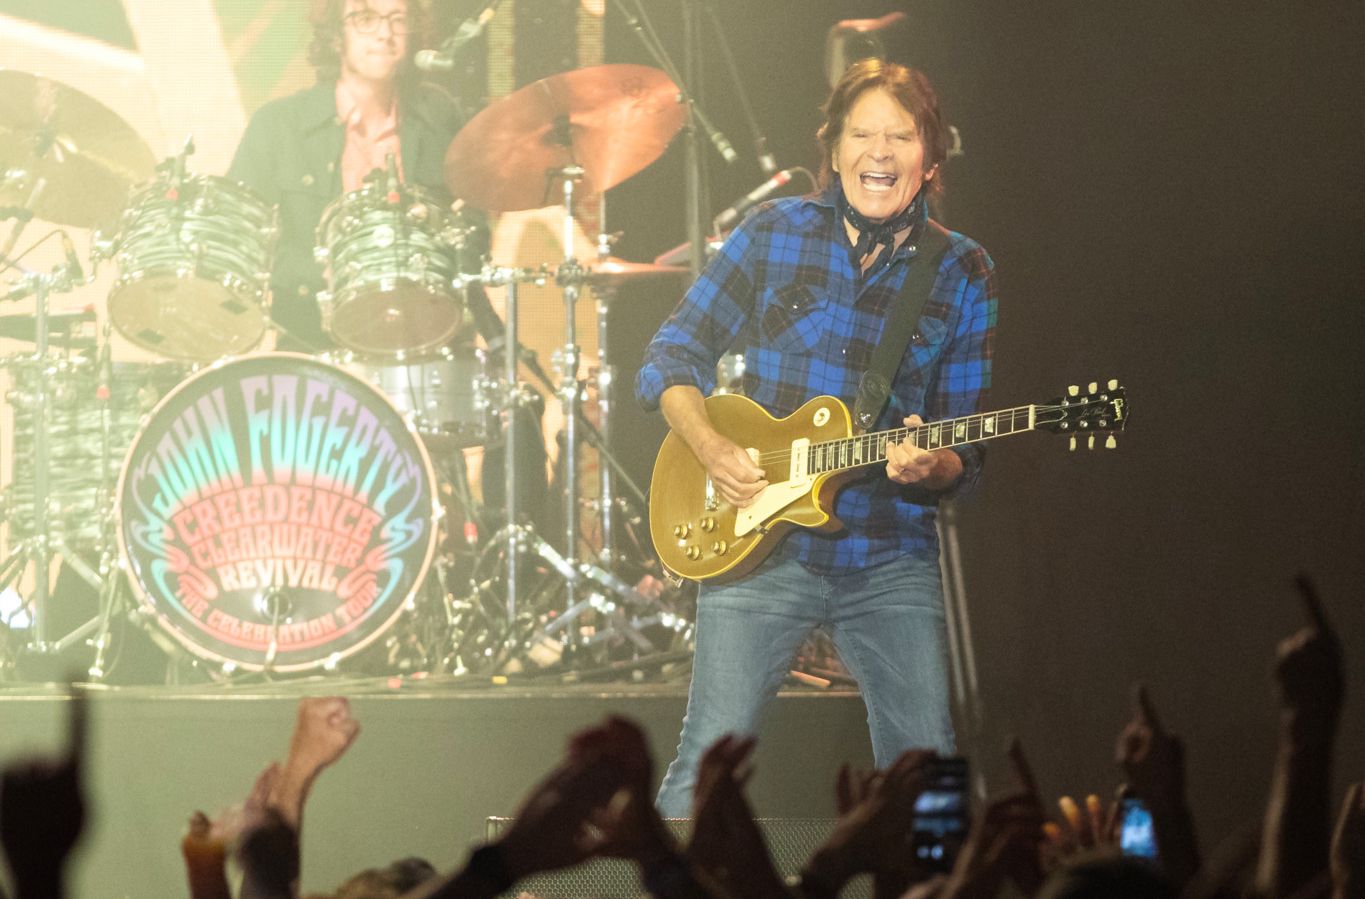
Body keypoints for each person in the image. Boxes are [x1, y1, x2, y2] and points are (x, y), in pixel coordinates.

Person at [635, 58, 998, 816]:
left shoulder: (961, 269)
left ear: (929, 156)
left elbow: (966, 452)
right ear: (830, 149)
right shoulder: (771, 234)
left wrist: (932, 463)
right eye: (862, 133)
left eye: (900, 136)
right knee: (706, 761)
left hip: (889, 551)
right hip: (756, 540)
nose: (879, 151)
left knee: (928, 773)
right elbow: (671, 356)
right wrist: (710, 448)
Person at [227, 0, 466, 351]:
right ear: (336, 35)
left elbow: (471, 221)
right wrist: (325, 272)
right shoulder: (278, 125)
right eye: (366, 18)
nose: (384, 33)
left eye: (397, 19)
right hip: (312, 343)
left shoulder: (437, 116)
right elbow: (244, 240)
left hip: (422, 344)